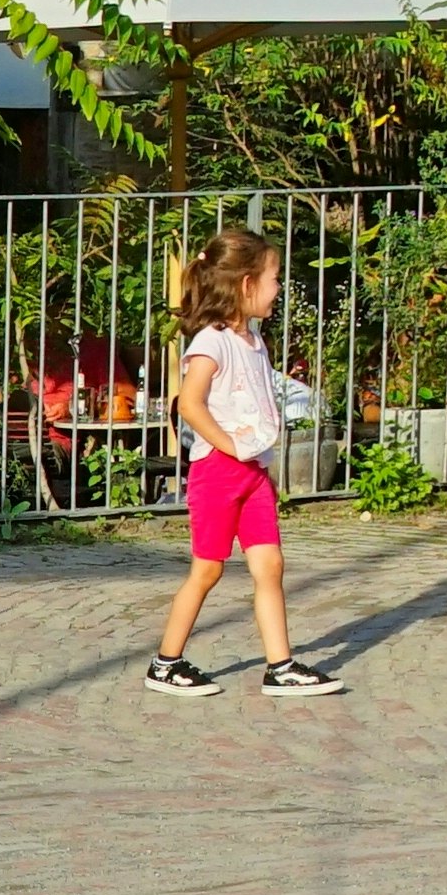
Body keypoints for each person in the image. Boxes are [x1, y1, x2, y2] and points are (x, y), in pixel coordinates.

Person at [146, 225, 343, 697]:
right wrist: (228, 444)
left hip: (255, 475)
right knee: (208, 570)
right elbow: (189, 404)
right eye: (274, 278)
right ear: (246, 284)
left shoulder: (254, 342)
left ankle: (281, 666)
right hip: (218, 474)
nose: (279, 288)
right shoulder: (210, 342)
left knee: (270, 566)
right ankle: (165, 663)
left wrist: (252, 451)